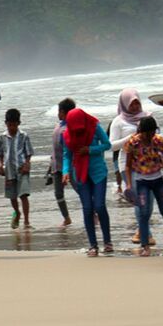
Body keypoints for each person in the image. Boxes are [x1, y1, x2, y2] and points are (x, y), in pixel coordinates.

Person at [123, 117, 163, 256]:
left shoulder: (159, 140)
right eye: (147, 133)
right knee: (144, 213)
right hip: (142, 181)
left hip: (158, 179)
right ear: (141, 131)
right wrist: (129, 184)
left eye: (153, 132)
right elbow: (128, 166)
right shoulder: (133, 142)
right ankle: (145, 245)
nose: (150, 136)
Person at [62, 108, 113, 256]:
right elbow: (67, 155)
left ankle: (107, 241)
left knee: (100, 205)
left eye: (80, 130)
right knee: (87, 208)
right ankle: (93, 245)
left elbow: (107, 144)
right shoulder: (67, 135)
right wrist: (66, 172)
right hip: (81, 174)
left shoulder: (94, 126)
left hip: (98, 172)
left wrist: (90, 150)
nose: (78, 133)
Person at [0, 108, 33, 230]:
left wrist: (27, 164)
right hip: (9, 171)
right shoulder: (2, 137)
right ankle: (17, 212)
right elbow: (0, 153)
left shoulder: (24, 136)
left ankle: (27, 221)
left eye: (14, 124)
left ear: (19, 123)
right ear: (6, 123)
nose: (11, 127)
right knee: (12, 196)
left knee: (23, 195)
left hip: (22, 168)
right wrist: (0, 165)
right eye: (9, 124)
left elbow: (28, 152)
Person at [109, 89, 149, 198]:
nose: (135, 106)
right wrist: (131, 137)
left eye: (137, 103)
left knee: (148, 198)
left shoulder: (147, 116)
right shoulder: (118, 121)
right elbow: (112, 146)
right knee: (139, 196)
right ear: (124, 104)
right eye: (132, 104)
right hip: (127, 163)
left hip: (148, 161)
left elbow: (157, 134)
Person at [49, 99, 73, 227]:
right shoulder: (58, 126)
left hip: (69, 166)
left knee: (80, 189)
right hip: (56, 166)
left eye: (59, 111)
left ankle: (92, 213)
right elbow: (54, 148)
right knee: (58, 193)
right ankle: (66, 218)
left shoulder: (69, 128)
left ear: (63, 112)